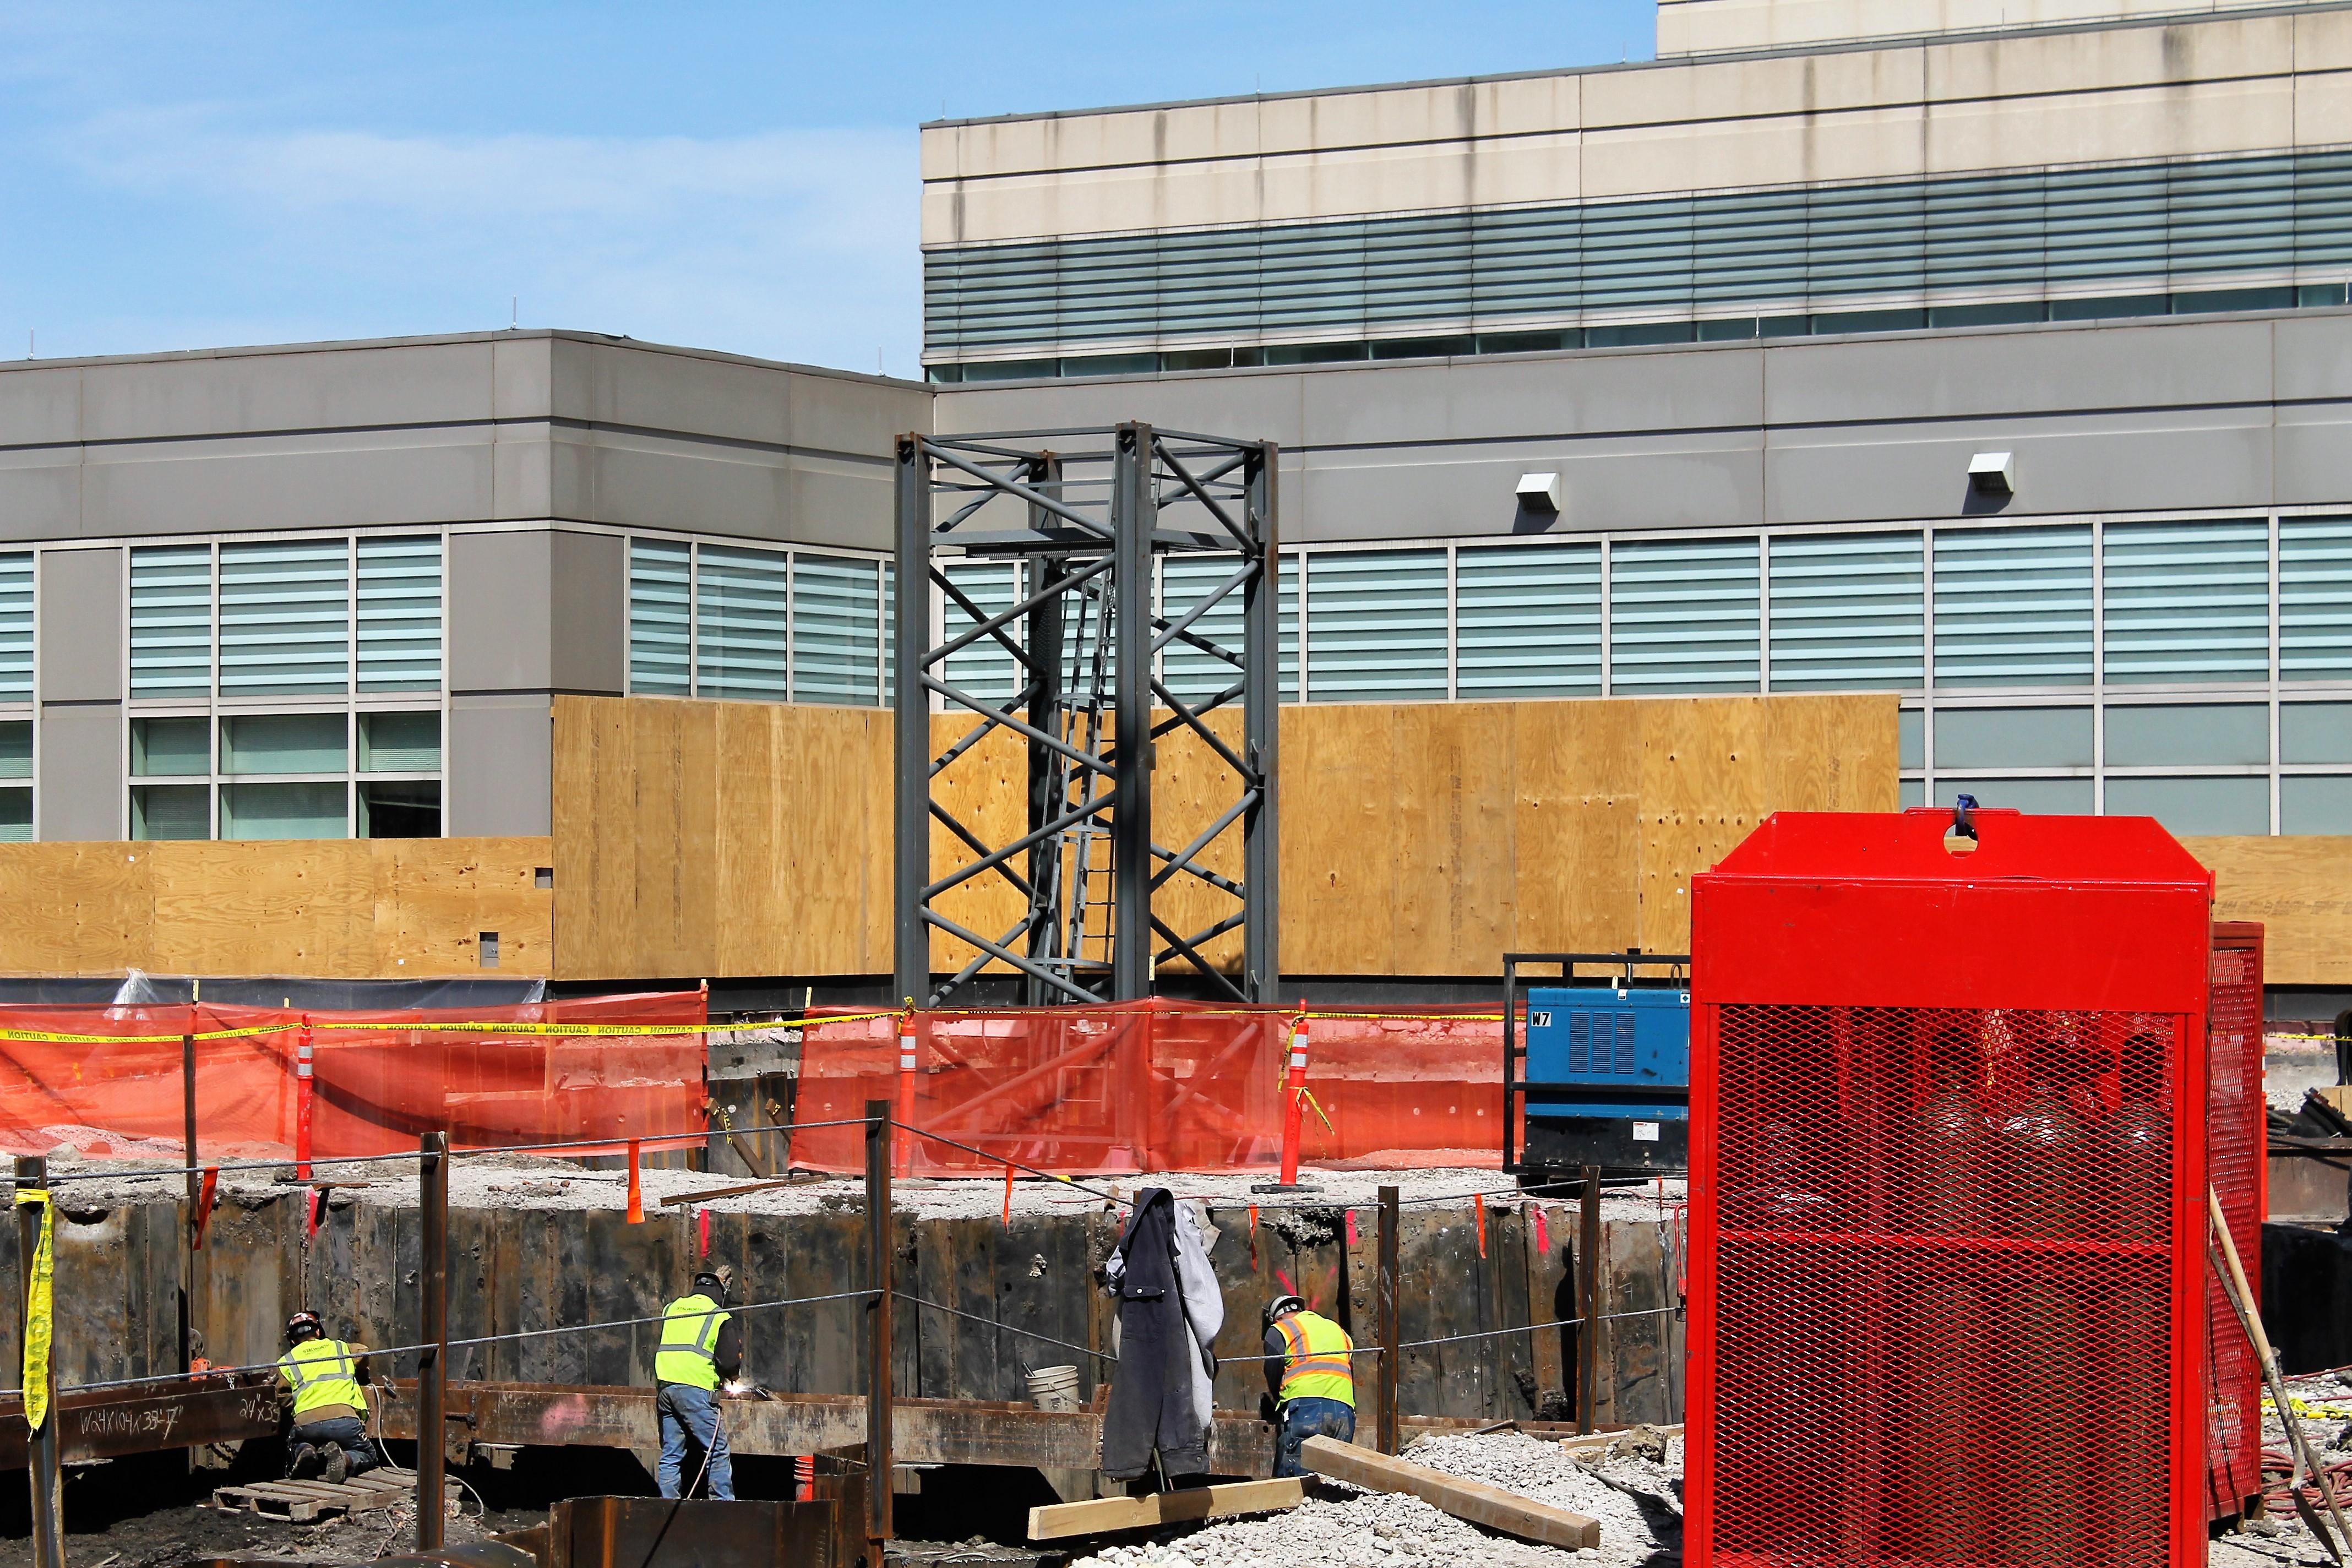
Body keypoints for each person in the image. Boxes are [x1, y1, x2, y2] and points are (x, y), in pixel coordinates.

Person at [654, 1267, 742, 1500]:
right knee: (717, 1451)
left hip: (666, 1389)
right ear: (719, 1293)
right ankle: (723, 1507)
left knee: (672, 1453)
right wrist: (732, 1376)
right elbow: (731, 1361)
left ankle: (667, 1505)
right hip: (694, 1388)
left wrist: (715, 1282)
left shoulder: (672, 1308)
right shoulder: (719, 1315)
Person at [277, 1311, 378, 1484]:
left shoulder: (287, 1361)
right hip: (344, 1420)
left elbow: (284, 1398)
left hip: (307, 1424)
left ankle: (305, 1451)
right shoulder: (340, 1348)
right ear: (318, 1332)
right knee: (367, 1454)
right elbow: (363, 1351)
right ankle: (346, 1459)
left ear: (293, 1341)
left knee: (296, 1442)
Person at [1263, 1293, 1355, 1479]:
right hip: (1344, 1411)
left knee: (1297, 1478)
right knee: (1334, 1480)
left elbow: (1273, 1373)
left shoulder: (1281, 1329)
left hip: (1307, 1409)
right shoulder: (1338, 1330)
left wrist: (1278, 1403)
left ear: (1277, 1318)